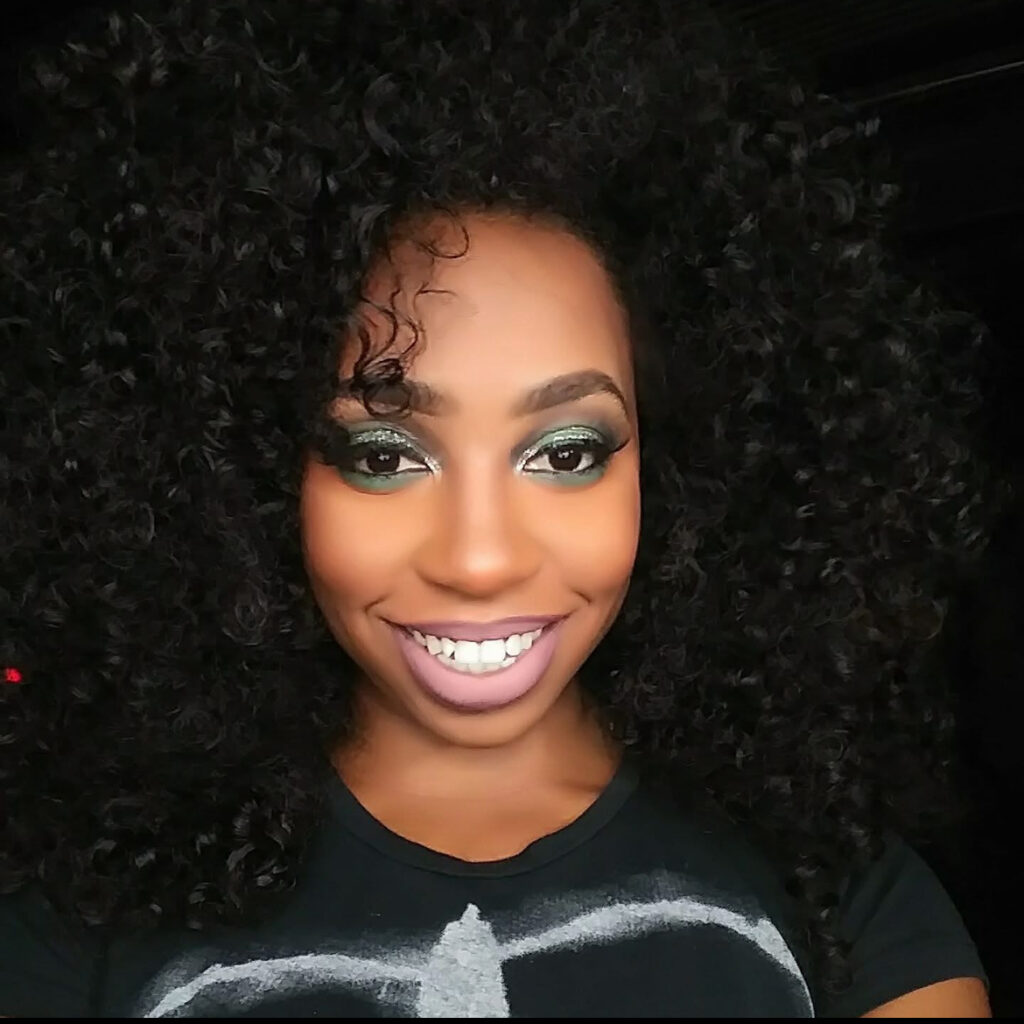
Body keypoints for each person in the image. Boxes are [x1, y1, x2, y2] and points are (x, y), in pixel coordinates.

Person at [0, 0, 1008, 1016]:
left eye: (565, 452)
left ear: (680, 471)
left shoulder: (839, 889)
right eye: (383, 454)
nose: (479, 559)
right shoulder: (74, 923)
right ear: (244, 481)